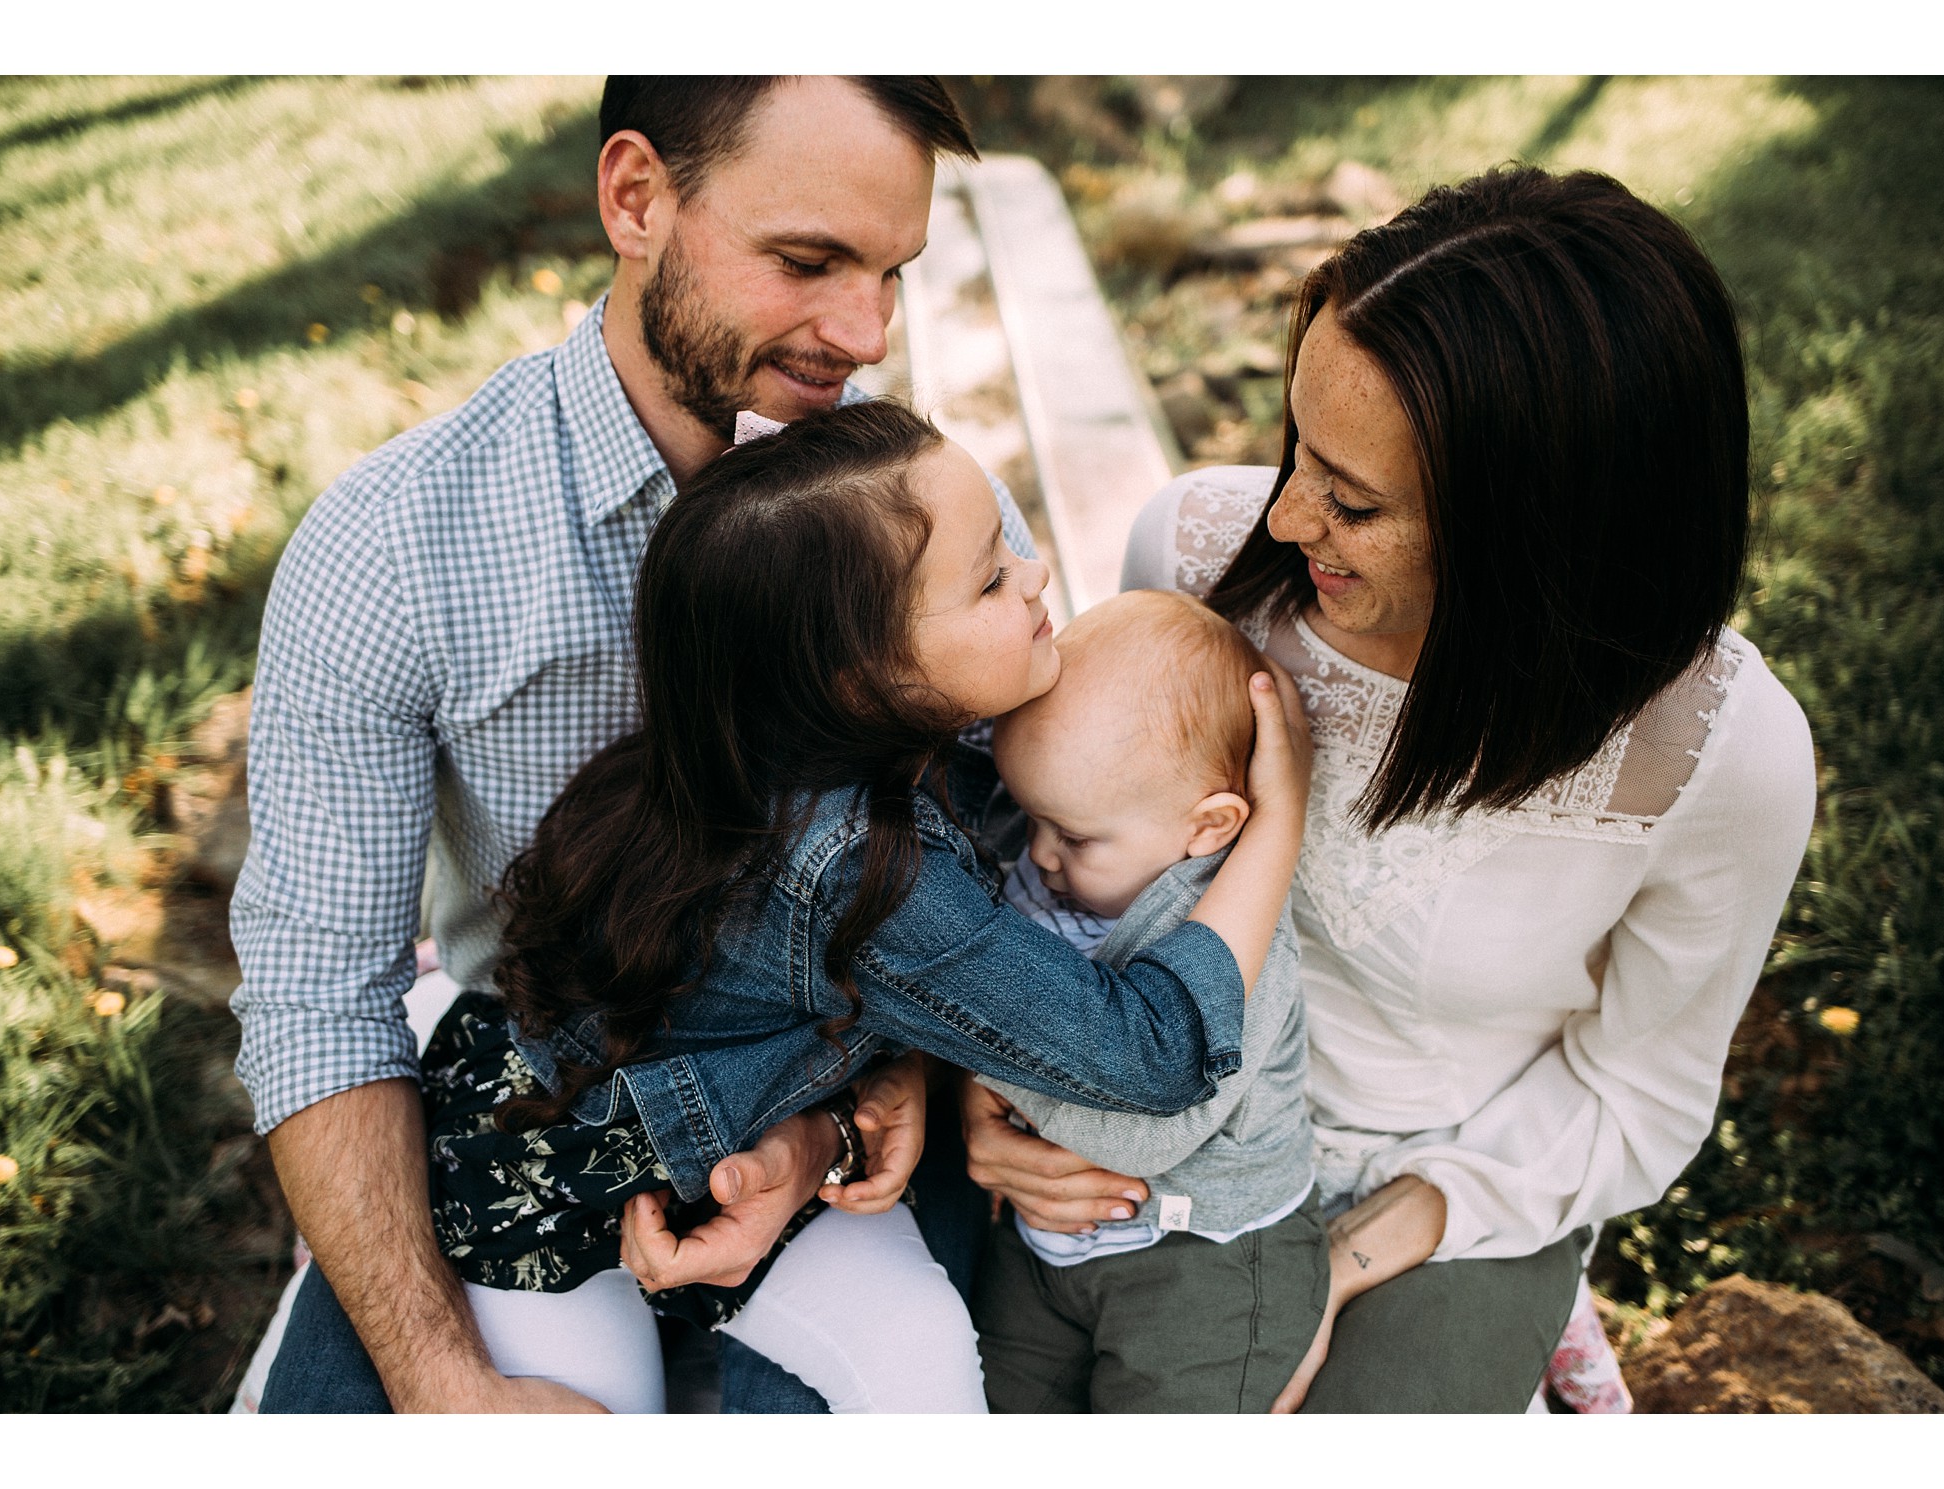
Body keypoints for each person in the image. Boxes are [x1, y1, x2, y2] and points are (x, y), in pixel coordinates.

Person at [960, 165, 1819, 1412]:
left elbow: (1637, 1093)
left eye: (1353, 499)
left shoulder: (1718, 755)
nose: (1288, 510)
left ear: (1537, 535)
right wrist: (993, 1095)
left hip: (1451, 1189)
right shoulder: (1197, 562)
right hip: (1157, 1116)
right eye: (1295, 443)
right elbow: (1063, 857)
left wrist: (1346, 1258)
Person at [229, 76, 1023, 1413]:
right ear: (636, 197)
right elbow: (319, 997)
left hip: (821, 1107)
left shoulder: (928, 512)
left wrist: (896, 1076)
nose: (862, 332)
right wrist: (442, 1387)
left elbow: (1021, 834)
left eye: (890, 272)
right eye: (806, 261)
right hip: (528, 1098)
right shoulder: (394, 547)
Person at [413, 401, 1310, 1411]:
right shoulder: (857, 869)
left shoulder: (815, 741)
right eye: (989, 577)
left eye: (1011, 550)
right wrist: (1277, 823)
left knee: (916, 1360)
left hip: (720, 1133)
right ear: (865, 676)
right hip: (539, 1180)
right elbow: (1148, 1058)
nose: (1036, 574)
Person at [966, 589, 1326, 1412]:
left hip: (1207, 1262)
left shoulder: (1239, 937)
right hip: (1044, 1243)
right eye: (1030, 816)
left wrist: (967, 1042)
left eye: (1076, 835)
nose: (1043, 854)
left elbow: (1140, 1125)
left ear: (1208, 826)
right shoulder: (1053, 853)